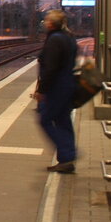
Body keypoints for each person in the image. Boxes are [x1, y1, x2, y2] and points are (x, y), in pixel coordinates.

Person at [36, 9, 78, 173]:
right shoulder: (68, 37)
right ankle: (67, 159)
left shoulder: (55, 40)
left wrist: (42, 90)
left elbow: (51, 68)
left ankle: (68, 154)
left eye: (47, 21)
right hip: (67, 85)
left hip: (57, 88)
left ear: (52, 24)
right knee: (63, 121)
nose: (45, 23)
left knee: (45, 120)